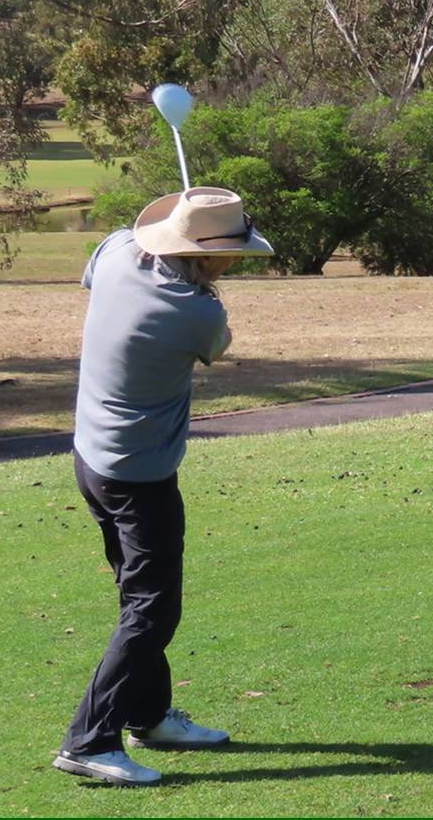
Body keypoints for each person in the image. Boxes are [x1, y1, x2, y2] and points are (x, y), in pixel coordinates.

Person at [53, 187, 273, 786]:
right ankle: (90, 740)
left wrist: (183, 255)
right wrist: (201, 285)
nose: (239, 261)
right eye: (234, 254)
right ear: (211, 257)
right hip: (138, 474)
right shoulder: (196, 313)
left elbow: (95, 278)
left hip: (91, 458)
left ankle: (149, 716)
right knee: (152, 609)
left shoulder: (118, 249)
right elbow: (218, 346)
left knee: (137, 599)